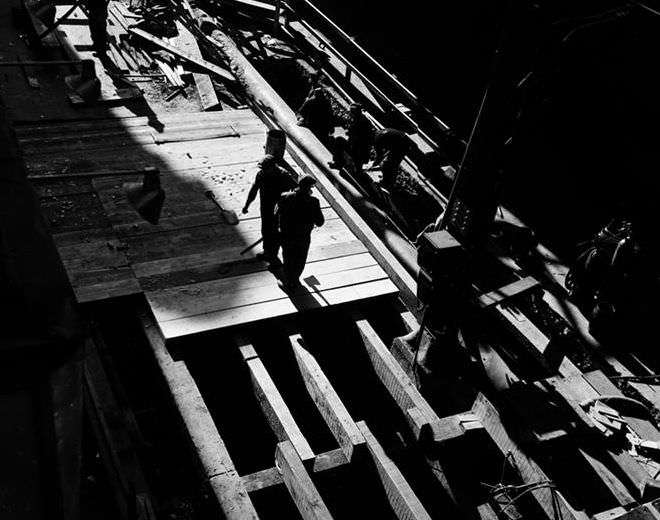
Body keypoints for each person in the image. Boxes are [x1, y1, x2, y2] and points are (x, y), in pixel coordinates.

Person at [242, 154, 295, 263]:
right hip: (265, 209)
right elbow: (254, 190)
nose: (263, 170)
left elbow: (295, 191)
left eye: (265, 168)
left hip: (279, 211)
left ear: (272, 166)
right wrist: (247, 205)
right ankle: (267, 252)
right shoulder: (261, 174)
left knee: (275, 234)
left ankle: (273, 257)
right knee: (266, 231)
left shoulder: (284, 175)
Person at [275, 175, 325, 290]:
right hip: (303, 236)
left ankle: (288, 281)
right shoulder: (313, 202)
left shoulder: (285, 197)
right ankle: (294, 279)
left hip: (287, 235)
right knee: (300, 258)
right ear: (311, 188)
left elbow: (276, 214)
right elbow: (320, 222)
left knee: (288, 257)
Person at [345, 102, 374, 171]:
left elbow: (356, 135)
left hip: (360, 146)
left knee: (339, 141)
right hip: (362, 146)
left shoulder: (360, 122)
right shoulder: (361, 119)